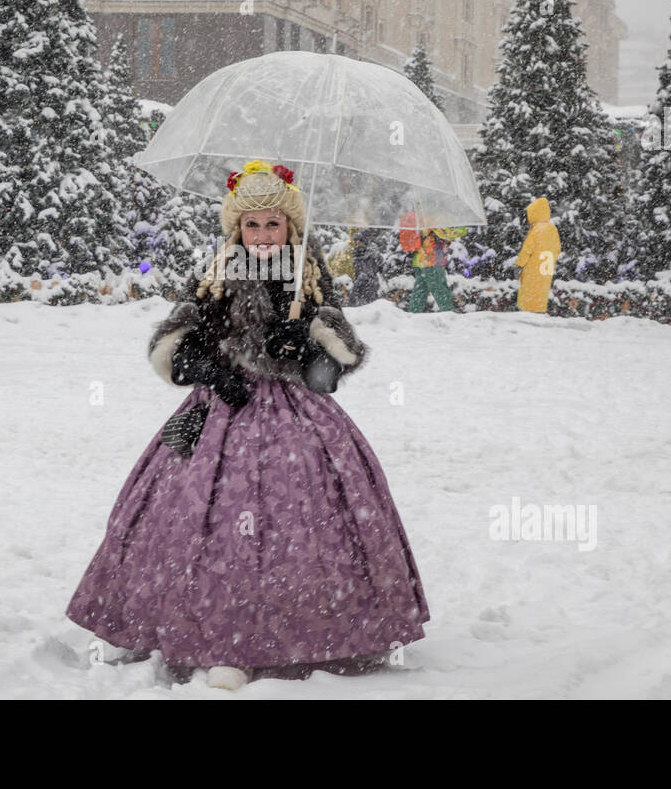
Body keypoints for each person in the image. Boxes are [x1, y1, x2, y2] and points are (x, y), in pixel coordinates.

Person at [66, 159, 430, 690]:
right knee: (204, 518)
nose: (262, 234)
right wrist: (212, 368)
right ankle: (212, 635)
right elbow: (171, 346)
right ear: (237, 228)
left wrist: (305, 345)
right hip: (217, 413)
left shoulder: (309, 275)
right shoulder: (217, 274)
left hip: (298, 419)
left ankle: (297, 632)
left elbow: (333, 369)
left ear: (291, 227)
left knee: (297, 518)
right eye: (252, 224)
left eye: (273, 223)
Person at [399, 211, 467, 313]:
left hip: (419, 260)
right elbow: (447, 233)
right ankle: (450, 315)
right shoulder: (433, 218)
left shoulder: (421, 216)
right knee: (440, 289)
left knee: (420, 291)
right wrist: (464, 228)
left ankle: (413, 315)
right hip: (431, 260)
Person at [515, 196, 561, 313]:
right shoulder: (552, 228)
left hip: (533, 268)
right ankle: (539, 309)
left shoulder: (537, 230)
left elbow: (527, 249)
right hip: (547, 267)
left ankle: (527, 310)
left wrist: (519, 264)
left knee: (530, 290)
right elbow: (557, 249)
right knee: (542, 290)